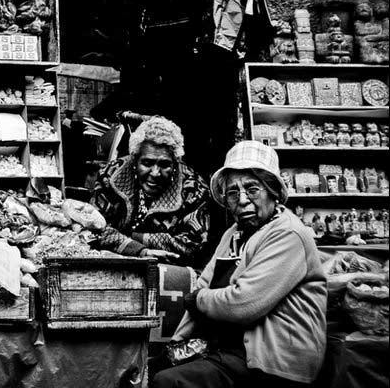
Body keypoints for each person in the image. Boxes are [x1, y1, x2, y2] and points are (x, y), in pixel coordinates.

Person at [152, 140, 327, 388]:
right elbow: (202, 285)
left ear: (273, 191)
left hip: (272, 360)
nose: (242, 200)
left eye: (252, 189)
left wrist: (200, 299)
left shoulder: (289, 233)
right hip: (229, 350)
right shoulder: (234, 233)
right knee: (155, 367)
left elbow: (244, 303)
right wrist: (175, 345)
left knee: (170, 382)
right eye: (233, 192)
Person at [91, 116, 210, 265]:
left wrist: (130, 235)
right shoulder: (111, 175)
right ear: (134, 160)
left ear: (175, 163)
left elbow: (193, 245)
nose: (155, 173)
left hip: (171, 268)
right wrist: (140, 251)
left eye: (165, 165)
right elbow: (94, 230)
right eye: (147, 163)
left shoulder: (193, 188)